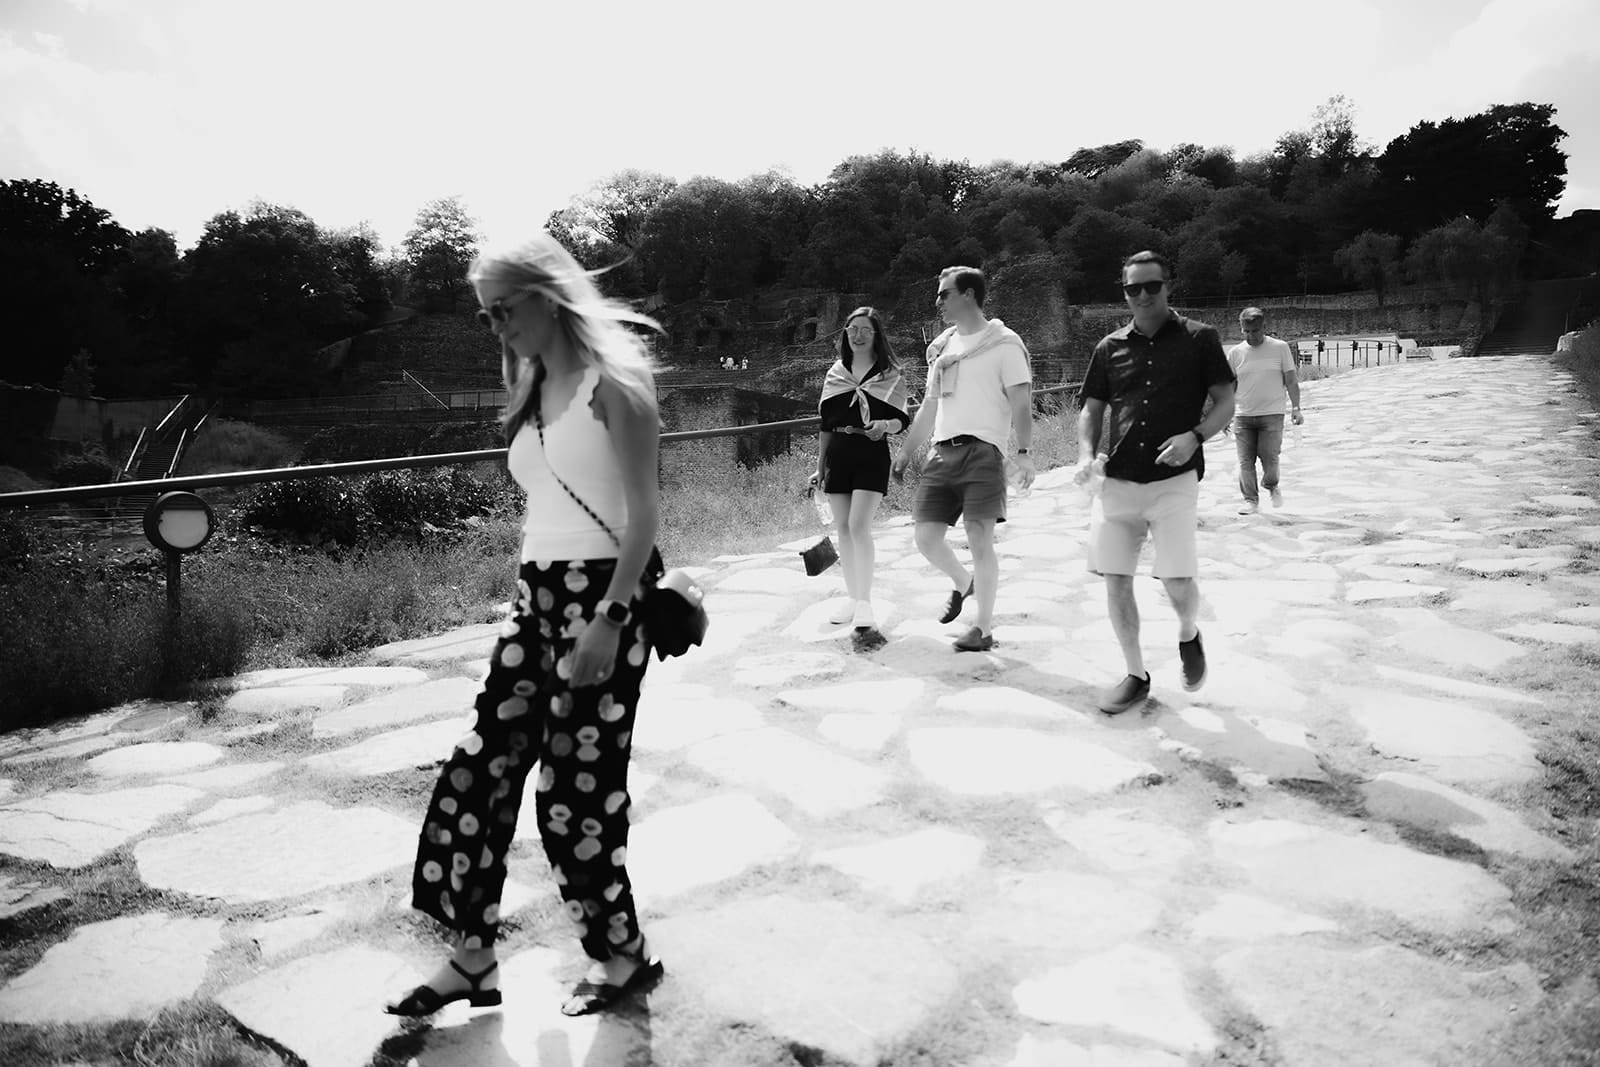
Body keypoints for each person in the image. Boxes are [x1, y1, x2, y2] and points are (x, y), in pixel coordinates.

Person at [386, 233, 665, 1019]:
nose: (496, 326)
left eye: (503, 309)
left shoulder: (617, 382)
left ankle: (622, 955)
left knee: (575, 791)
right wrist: (535, 601)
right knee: (478, 767)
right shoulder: (531, 380)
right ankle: (472, 955)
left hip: (605, 597)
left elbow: (645, 513)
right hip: (535, 597)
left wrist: (609, 618)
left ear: (548, 296)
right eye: (486, 316)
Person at [1074, 251, 1236, 714]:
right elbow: (1091, 409)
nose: (1142, 295)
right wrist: (1085, 454)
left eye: (1152, 286)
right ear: (1124, 292)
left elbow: (1226, 401)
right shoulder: (1108, 347)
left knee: (1178, 580)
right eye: (1133, 288)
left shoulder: (1200, 338)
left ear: (1168, 286)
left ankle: (1188, 632)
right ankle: (1135, 675)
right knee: (1116, 580)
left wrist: (1195, 436)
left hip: (1174, 480)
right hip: (1117, 483)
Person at [892, 266, 1034, 652]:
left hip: (984, 451)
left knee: (979, 540)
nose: (937, 301)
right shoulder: (944, 349)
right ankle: (963, 582)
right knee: (925, 537)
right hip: (941, 451)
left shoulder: (1005, 343)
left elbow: (1021, 402)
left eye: (944, 294)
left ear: (969, 294)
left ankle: (983, 629)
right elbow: (930, 407)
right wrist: (906, 451)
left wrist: (1023, 453)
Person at [811, 307, 909, 631]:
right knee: (843, 528)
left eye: (865, 329)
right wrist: (820, 467)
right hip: (838, 455)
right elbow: (826, 425)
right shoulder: (836, 373)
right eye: (852, 329)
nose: (858, 335)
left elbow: (902, 419)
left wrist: (885, 425)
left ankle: (865, 601)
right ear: (845, 334)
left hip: (871, 453)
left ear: (876, 334)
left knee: (858, 526)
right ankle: (852, 598)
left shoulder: (890, 374)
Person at [1227, 307, 1303, 514]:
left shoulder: (1280, 348)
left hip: (1272, 413)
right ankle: (1250, 500)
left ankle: (1271, 485)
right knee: (1245, 461)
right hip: (1243, 415)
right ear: (1241, 329)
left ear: (1263, 327)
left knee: (1270, 458)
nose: (1251, 336)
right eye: (1246, 331)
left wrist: (1296, 408)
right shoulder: (1235, 353)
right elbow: (1229, 385)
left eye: (1255, 331)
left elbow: (1290, 380)